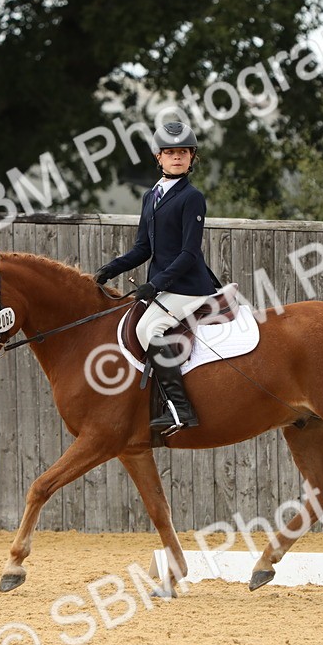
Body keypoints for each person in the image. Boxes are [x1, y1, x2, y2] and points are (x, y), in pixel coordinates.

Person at [93, 121, 219, 434]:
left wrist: (156, 284)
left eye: (183, 152)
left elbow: (189, 254)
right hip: (167, 286)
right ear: (158, 157)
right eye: (170, 152)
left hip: (189, 286)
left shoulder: (192, 198)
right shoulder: (152, 196)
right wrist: (112, 268)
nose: (177, 157)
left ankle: (179, 408)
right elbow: (142, 249)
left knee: (151, 327)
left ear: (192, 158)